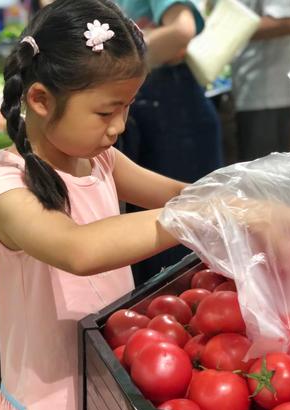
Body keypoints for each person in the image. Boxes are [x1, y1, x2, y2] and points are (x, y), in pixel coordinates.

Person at [0, 0, 290, 410]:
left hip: (112, 382)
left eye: (127, 107)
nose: (119, 127)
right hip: (52, 407)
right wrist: (194, 214)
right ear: (40, 100)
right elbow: (80, 249)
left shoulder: (99, 160)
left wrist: (243, 205)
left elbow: (178, 192)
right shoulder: (7, 189)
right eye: (106, 111)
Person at [115, 0, 224, 284]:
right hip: (158, 110)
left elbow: (182, 28)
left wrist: (114, 65)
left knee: (179, 255)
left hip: (174, 116)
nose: (113, 125)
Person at [231, 0, 290, 161]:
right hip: (254, 86)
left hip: (268, 92)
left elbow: (285, 22)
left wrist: (225, 29)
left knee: (262, 174)